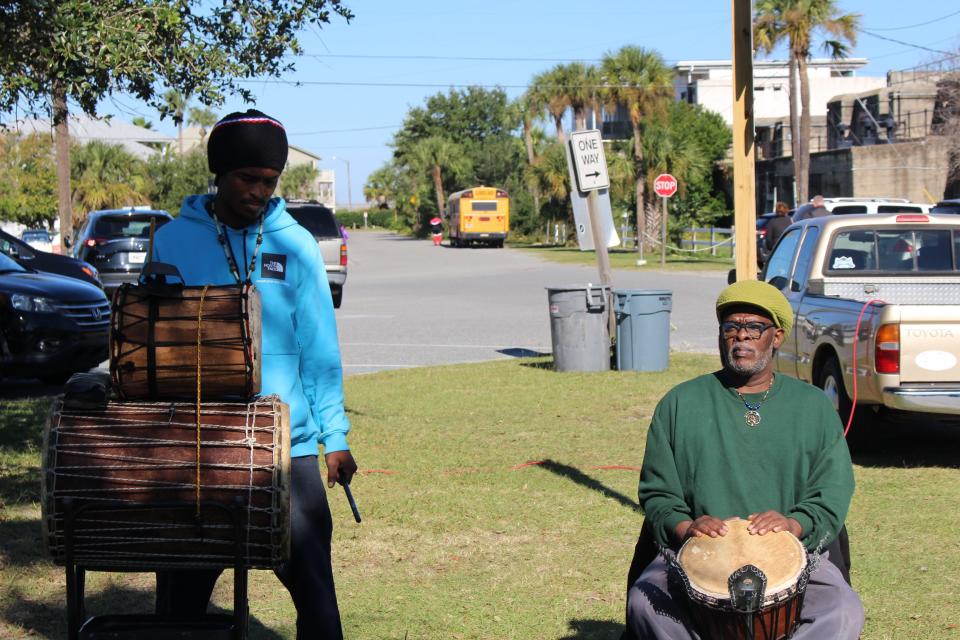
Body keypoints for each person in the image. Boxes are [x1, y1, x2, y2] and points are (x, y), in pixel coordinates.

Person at [151, 109, 357, 639]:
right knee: (181, 602)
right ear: (220, 175)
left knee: (316, 592)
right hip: (199, 444)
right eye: (248, 179)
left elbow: (320, 350)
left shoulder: (299, 246)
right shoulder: (172, 242)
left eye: (269, 181)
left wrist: (335, 438)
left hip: (290, 445)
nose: (260, 191)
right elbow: (156, 346)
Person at [626, 280, 864, 639]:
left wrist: (795, 524)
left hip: (791, 552)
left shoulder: (813, 406)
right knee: (645, 604)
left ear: (777, 336)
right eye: (731, 327)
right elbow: (658, 493)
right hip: (698, 552)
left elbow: (832, 490)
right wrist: (686, 527)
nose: (742, 337)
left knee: (842, 611)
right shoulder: (679, 403)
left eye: (754, 327)